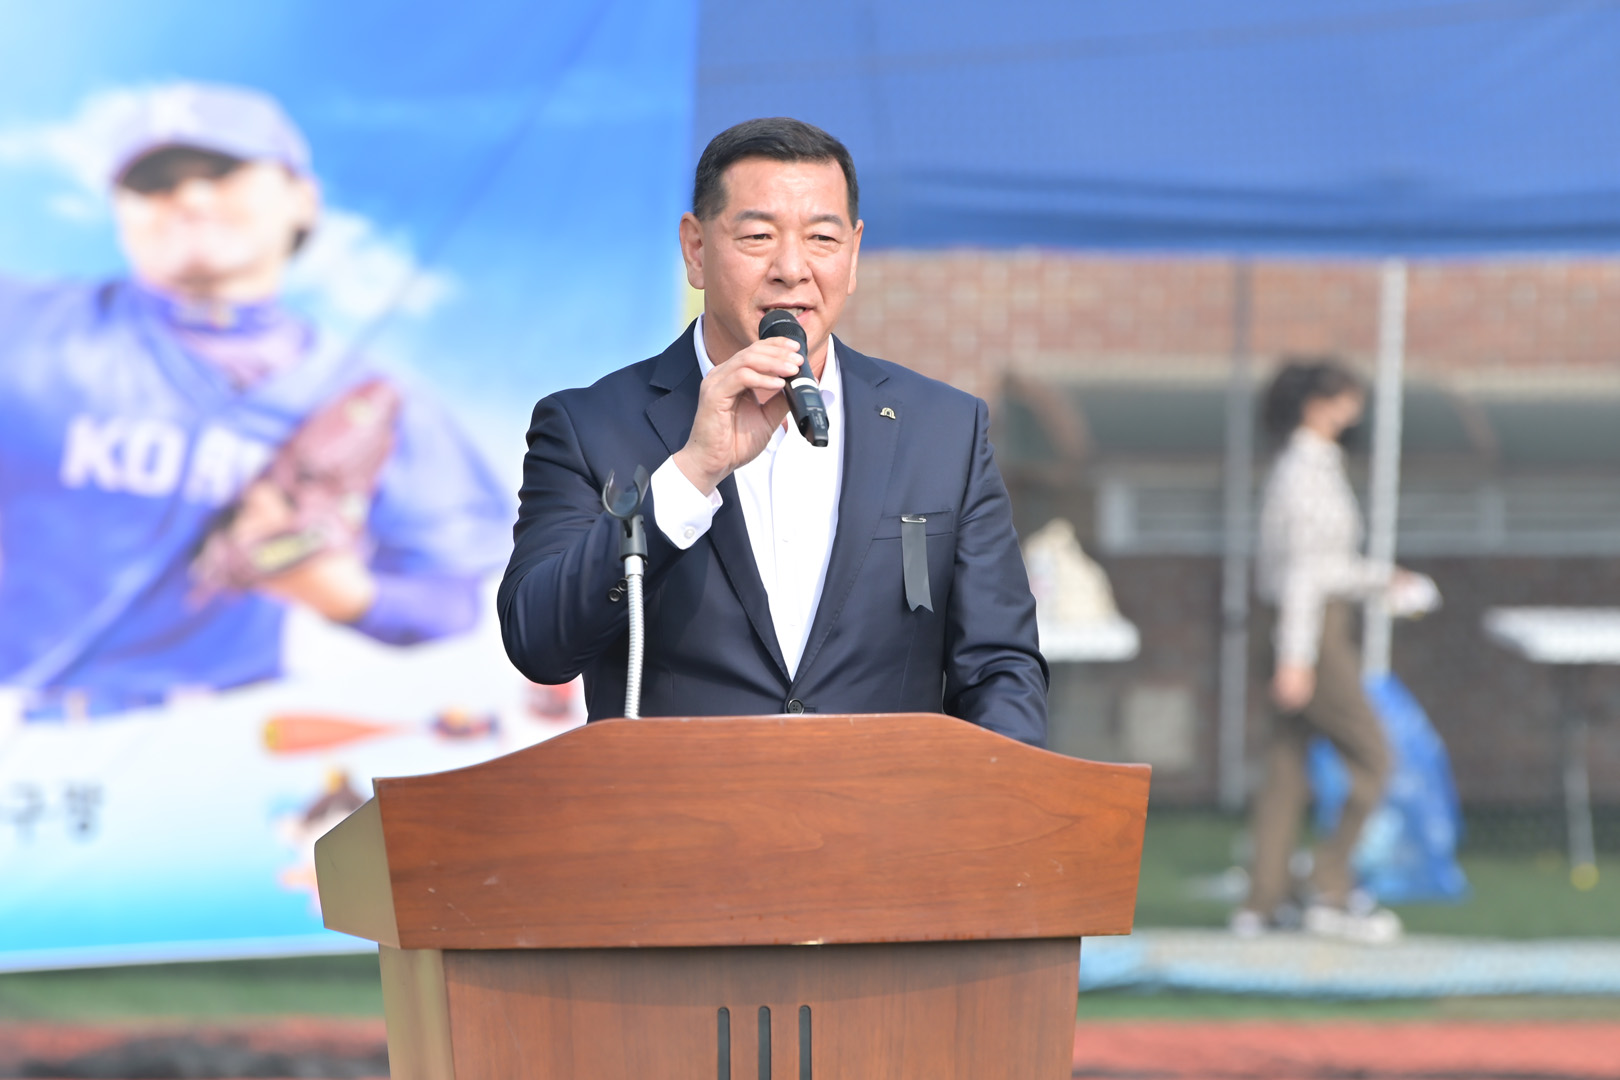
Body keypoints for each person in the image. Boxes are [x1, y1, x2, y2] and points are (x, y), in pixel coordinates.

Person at [498, 117, 1047, 743]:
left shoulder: (944, 429)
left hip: (885, 805)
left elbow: (1001, 669)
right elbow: (537, 643)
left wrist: (998, 795)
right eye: (758, 236)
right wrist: (690, 474)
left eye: (822, 238)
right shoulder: (589, 426)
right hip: (680, 805)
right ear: (696, 249)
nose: (792, 268)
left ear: (853, 253)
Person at [0, 83, 511, 719]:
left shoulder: (367, 397)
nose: (190, 198)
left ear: (302, 198)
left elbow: (451, 602)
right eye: (154, 183)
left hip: (215, 738)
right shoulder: (22, 327)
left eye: (223, 171)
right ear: (119, 210)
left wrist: (344, 594)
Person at [1232, 357, 1409, 944]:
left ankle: (1264, 899)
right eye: (1343, 401)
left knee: (1286, 766)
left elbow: (1323, 565)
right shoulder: (1304, 472)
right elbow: (1304, 576)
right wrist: (1296, 658)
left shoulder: (1309, 466)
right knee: (1373, 755)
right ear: (1316, 405)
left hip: (1302, 622)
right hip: (1310, 631)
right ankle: (1329, 884)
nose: (1353, 413)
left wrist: (1379, 578)